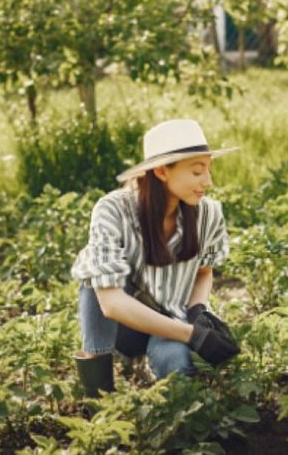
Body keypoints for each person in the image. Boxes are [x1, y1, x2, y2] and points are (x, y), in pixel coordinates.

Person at [70, 119, 241, 396]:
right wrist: (192, 336)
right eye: (197, 171)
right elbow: (111, 304)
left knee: (177, 366)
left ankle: (167, 387)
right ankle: (97, 398)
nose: (208, 181)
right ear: (162, 171)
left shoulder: (208, 214)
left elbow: (203, 272)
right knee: (93, 279)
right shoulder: (113, 210)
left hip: (172, 319)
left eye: (209, 169)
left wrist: (197, 312)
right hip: (124, 326)